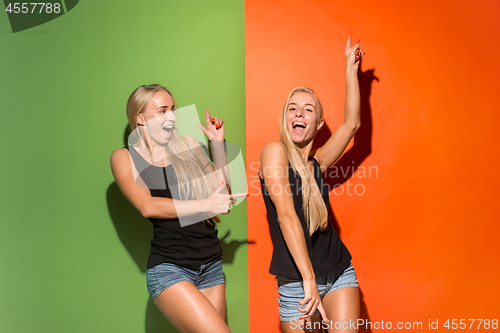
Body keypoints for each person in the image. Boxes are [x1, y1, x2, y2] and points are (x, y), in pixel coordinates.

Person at [110, 84, 245, 333]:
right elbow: (147, 206)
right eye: (162, 111)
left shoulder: (187, 145)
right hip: (171, 268)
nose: (171, 116)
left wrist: (217, 145)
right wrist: (206, 205)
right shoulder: (125, 157)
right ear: (140, 117)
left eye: (172, 110)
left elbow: (221, 192)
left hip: (211, 265)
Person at [259, 38, 364, 332]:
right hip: (297, 280)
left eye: (307, 110)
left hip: (338, 271)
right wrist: (308, 279)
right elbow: (285, 215)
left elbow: (351, 125)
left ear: (318, 123)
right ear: (285, 118)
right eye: (292, 109)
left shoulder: (316, 163)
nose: (299, 114)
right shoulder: (273, 152)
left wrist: (349, 69)